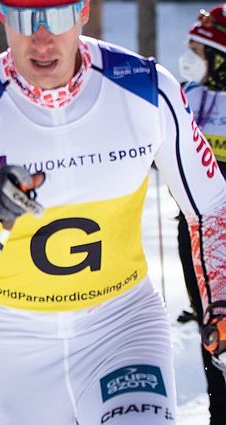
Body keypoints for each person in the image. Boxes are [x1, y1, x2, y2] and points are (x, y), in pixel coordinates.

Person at [0, 0, 226, 423]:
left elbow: (210, 206)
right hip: (13, 346)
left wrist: (221, 303)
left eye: (58, 16)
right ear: (2, 15)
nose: (42, 39)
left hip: (121, 327)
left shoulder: (145, 88)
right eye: (26, 19)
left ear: (84, 12)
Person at [176, 6, 226, 423]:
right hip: (192, 232)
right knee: (212, 330)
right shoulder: (187, 94)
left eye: (200, 49)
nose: (190, 56)